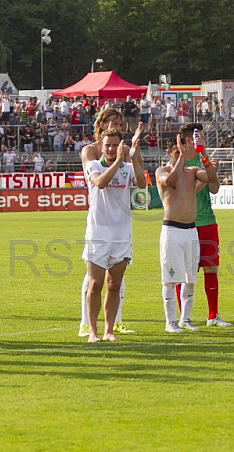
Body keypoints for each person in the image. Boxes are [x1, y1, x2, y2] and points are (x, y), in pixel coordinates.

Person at [77, 109, 137, 337]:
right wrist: (119, 160)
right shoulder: (92, 161)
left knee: (114, 285)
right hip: (98, 233)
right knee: (95, 284)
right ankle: (90, 329)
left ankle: (109, 329)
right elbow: (100, 183)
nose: (111, 148)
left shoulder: (127, 164)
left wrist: (135, 154)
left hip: (122, 234)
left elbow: (141, 183)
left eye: (119, 123)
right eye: (108, 145)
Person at [156, 134, 217, 332]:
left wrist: (205, 158)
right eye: (176, 151)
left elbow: (211, 178)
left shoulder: (192, 171)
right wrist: (181, 158)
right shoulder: (162, 171)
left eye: (182, 150)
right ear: (169, 153)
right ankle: (170, 321)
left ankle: (186, 319)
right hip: (172, 229)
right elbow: (171, 181)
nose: (180, 154)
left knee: (191, 278)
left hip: (191, 230)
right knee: (171, 277)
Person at [179, 123, 232, 327]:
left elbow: (215, 189)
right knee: (186, 273)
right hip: (188, 224)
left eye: (202, 136)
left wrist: (212, 172)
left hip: (208, 221)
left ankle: (213, 316)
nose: (201, 140)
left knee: (212, 268)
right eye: (197, 137)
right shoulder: (180, 163)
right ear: (188, 140)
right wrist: (207, 171)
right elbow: (188, 191)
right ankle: (184, 317)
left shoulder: (204, 161)